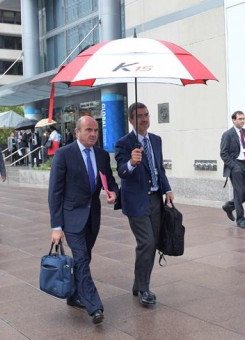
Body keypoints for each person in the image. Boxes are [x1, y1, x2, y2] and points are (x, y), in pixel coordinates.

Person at [49, 116, 118, 325]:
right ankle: (94, 306)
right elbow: (55, 192)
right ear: (77, 132)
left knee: (84, 258)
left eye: (96, 130)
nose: (93, 134)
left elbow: (110, 181)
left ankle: (73, 295)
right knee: (80, 258)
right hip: (71, 218)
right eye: (88, 130)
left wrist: (113, 193)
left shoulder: (102, 155)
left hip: (92, 217)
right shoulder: (63, 155)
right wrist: (56, 226)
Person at [115, 102, 174, 306]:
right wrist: (131, 163)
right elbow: (121, 172)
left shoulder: (156, 140)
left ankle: (138, 283)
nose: (145, 119)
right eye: (139, 116)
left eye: (147, 115)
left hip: (156, 200)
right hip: (136, 202)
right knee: (146, 243)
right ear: (131, 120)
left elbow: (160, 168)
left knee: (152, 244)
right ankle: (144, 289)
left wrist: (167, 189)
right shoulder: (124, 143)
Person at [220, 110, 245, 229]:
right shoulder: (228, 134)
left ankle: (229, 206)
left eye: (243, 119)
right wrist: (234, 166)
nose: (242, 121)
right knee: (238, 193)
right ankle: (240, 219)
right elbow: (223, 153)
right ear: (234, 120)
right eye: (240, 119)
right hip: (236, 166)